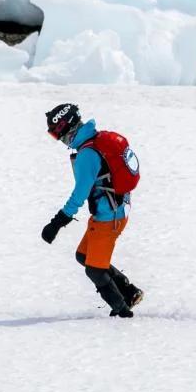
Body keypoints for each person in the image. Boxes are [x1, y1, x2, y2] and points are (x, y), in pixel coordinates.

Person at [40, 103, 142, 318]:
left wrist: (56, 223)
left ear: (66, 129)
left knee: (94, 269)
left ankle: (122, 311)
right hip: (112, 212)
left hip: (109, 218)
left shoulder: (87, 155)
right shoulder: (97, 140)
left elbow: (79, 194)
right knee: (83, 255)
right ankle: (129, 292)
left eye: (56, 134)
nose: (59, 140)